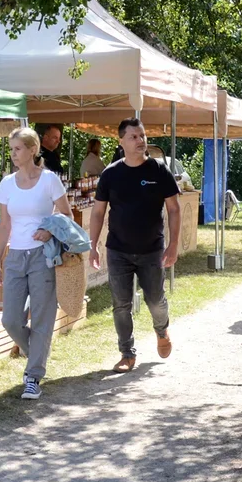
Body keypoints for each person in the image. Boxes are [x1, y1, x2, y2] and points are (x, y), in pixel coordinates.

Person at [89, 118, 180, 373]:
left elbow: (174, 209)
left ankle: (162, 330)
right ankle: (127, 354)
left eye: (142, 136)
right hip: (118, 249)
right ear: (122, 141)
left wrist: (173, 245)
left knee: (155, 301)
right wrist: (93, 245)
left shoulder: (159, 170)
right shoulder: (110, 174)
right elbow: (97, 213)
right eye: (134, 137)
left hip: (152, 249)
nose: (141, 141)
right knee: (121, 304)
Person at [0, 127, 71, 401]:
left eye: (18, 149)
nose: (13, 154)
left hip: (43, 255)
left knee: (42, 318)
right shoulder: (6, 184)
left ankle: (33, 376)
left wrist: (49, 230)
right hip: (15, 256)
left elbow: (66, 214)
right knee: (10, 319)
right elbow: (4, 224)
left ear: (33, 150)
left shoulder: (49, 180)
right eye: (11, 149)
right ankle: (38, 352)